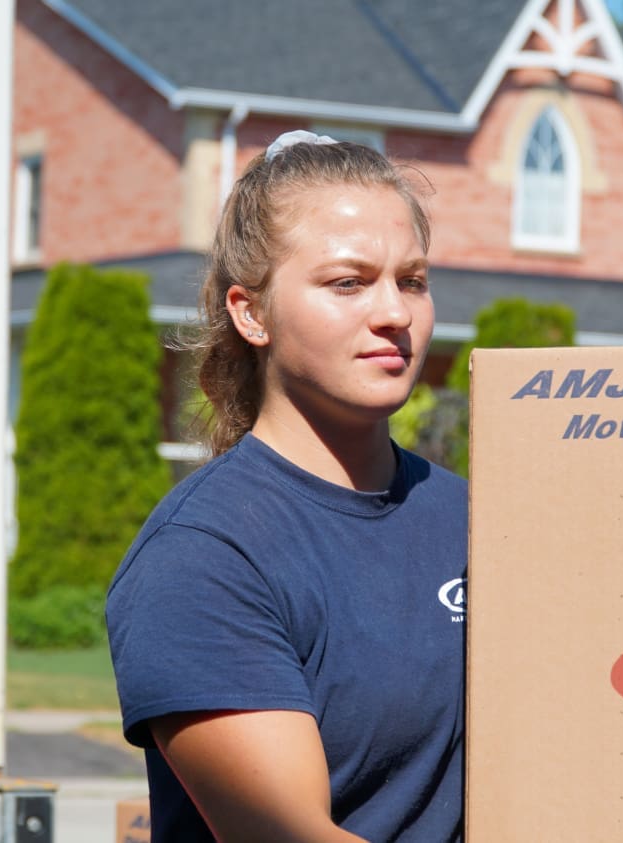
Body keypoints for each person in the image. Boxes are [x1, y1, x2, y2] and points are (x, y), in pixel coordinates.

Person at [106, 130, 467, 842]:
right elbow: (285, 834)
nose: (395, 314)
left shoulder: (476, 518)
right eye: (348, 282)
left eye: (412, 281)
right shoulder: (203, 557)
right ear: (252, 313)